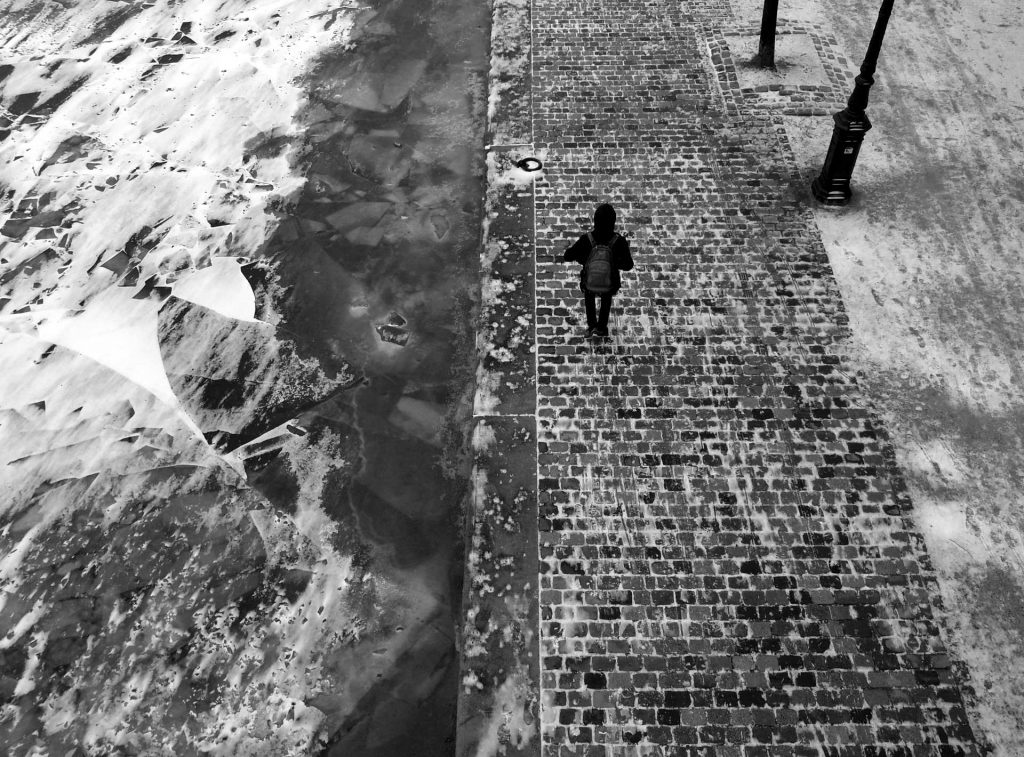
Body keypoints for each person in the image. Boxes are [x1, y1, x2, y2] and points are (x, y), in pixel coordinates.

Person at [562, 203, 634, 337]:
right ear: (613, 221)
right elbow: (629, 265)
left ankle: (591, 326)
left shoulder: (587, 239)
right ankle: (601, 327)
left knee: (589, 294)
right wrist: (614, 262)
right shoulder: (618, 241)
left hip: (589, 281)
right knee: (606, 298)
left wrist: (583, 259)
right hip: (610, 283)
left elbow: (568, 256)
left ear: (595, 220)